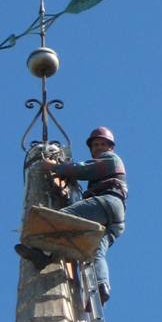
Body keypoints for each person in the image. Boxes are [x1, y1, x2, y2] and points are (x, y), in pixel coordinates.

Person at [15, 127, 127, 304]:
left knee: (61, 219)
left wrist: (55, 167)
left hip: (107, 202)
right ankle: (101, 287)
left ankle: (42, 252)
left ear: (110, 147)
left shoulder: (110, 159)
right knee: (96, 251)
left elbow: (83, 169)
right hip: (115, 216)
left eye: (102, 144)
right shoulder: (108, 165)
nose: (98, 147)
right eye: (95, 145)